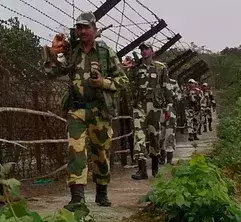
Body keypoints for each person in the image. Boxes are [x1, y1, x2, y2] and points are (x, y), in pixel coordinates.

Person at [45, 12, 128, 211]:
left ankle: (102, 191)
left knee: (100, 153)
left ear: (94, 29)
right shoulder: (73, 52)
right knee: (76, 152)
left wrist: (103, 82)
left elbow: (123, 81)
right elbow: (52, 73)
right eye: (78, 28)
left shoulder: (105, 52)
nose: (81, 31)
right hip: (77, 110)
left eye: (85, 28)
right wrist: (52, 53)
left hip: (99, 110)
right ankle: (77, 198)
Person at [128, 43, 168, 180]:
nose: (144, 51)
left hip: (155, 106)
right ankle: (142, 169)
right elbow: (129, 83)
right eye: (142, 49)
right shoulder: (136, 68)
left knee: (154, 135)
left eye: (146, 49)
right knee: (139, 135)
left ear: (152, 51)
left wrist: (168, 105)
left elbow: (165, 86)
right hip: (139, 105)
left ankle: (155, 167)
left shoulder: (160, 67)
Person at [161, 76, 180, 165]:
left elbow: (178, 97)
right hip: (157, 110)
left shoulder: (173, 83)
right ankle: (160, 157)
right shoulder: (152, 81)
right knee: (159, 135)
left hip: (169, 110)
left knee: (170, 134)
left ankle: (169, 159)